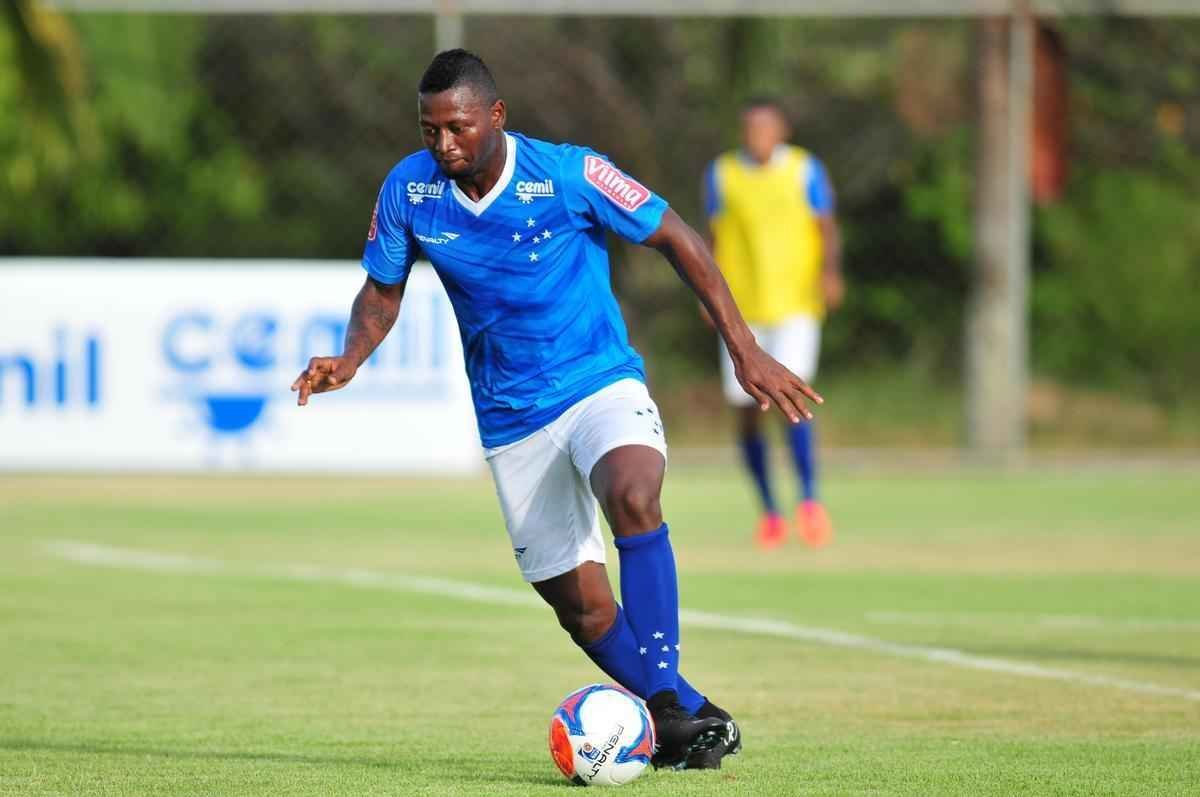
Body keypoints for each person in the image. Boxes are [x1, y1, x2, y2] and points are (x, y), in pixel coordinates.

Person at [291, 50, 822, 771]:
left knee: (634, 491)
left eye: (458, 127)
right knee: (582, 608)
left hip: (598, 380)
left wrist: (744, 348)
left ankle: (662, 700)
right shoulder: (408, 192)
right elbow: (382, 291)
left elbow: (676, 237)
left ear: (496, 116)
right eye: (430, 131)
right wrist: (350, 357)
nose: (444, 145)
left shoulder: (568, 173)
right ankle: (691, 716)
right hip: (511, 414)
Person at [703, 97, 844, 550]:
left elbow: (826, 226)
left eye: (765, 127)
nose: (757, 136)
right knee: (747, 411)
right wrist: (708, 295)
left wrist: (830, 272)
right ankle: (768, 511)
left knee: (792, 398)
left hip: (795, 304)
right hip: (741, 312)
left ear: (781, 130)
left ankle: (809, 503)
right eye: (749, 128)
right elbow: (711, 237)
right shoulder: (722, 174)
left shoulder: (804, 169)